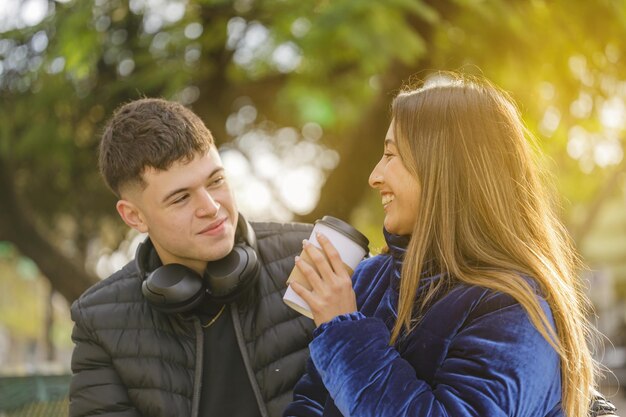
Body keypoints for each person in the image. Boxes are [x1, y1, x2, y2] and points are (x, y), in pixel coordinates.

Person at [283, 73, 609, 417]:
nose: (375, 176)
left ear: (442, 167)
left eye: (391, 155)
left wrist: (343, 331)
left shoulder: (513, 309)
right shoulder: (367, 280)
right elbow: (310, 402)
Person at [69, 98, 316, 417]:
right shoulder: (97, 321)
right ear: (134, 217)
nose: (211, 207)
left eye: (216, 181)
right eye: (181, 198)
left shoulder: (309, 255)